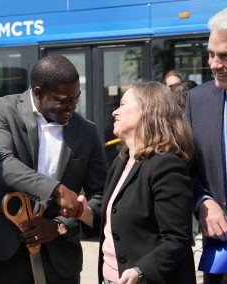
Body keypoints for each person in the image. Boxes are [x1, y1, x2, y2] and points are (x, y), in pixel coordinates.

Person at [0, 54, 108, 283]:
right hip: (6, 249)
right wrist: (57, 190)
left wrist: (59, 227)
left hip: (60, 257)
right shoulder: (3, 109)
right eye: (64, 100)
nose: (72, 107)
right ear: (38, 92)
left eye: (76, 98)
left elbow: (100, 196)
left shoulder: (87, 131)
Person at [78, 81, 196, 284]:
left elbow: (177, 240)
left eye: (123, 104)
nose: (115, 112)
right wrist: (83, 212)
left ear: (148, 110)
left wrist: (141, 271)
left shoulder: (166, 165)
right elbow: (117, 224)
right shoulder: (121, 160)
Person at [185, 6, 227, 284]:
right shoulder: (197, 100)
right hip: (223, 253)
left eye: (226, 56)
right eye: (211, 54)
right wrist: (203, 201)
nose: (214, 64)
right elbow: (182, 167)